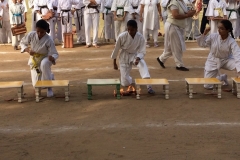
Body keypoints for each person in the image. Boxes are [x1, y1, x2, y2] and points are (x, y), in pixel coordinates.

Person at [111, 20, 155, 94]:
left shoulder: (140, 37)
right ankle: (130, 80)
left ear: (136, 29)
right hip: (124, 56)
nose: (130, 31)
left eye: (132, 30)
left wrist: (138, 58)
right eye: (128, 29)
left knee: (142, 64)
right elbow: (116, 49)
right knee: (124, 82)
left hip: (134, 55)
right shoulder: (122, 36)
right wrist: (114, 63)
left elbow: (142, 51)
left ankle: (149, 85)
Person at [196, 20, 240, 89]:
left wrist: (239, 70)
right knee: (207, 86)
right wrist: (204, 33)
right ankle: (222, 77)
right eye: (218, 28)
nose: (219, 30)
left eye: (221, 28)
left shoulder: (231, 41)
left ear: (228, 30)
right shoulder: (213, 36)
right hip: (212, 60)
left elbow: (237, 55)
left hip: (226, 60)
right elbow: (202, 44)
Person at [20, 20, 59, 97]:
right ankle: (50, 76)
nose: (39, 34)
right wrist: (27, 50)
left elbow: (54, 53)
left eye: (42, 32)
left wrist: (52, 58)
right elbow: (22, 42)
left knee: (44, 64)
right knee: (36, 86)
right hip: (34, 59)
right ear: (36, 29)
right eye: (38, 31)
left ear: (46, 31)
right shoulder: (31, 35)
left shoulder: (49, 39)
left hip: (45, 57)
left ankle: (49, 88)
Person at [157, 0, 196, 71]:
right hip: (173, 26)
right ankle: (179, 65)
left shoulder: (182, 2)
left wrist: (191, 12)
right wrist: (188, 15)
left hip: (179, 26)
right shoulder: (174, 2)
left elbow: (184, 12)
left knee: (172, 46)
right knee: (178, 46)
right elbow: (175, 15)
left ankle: (161, 59)